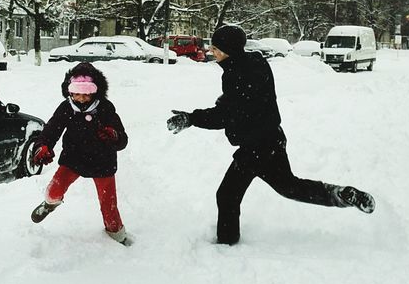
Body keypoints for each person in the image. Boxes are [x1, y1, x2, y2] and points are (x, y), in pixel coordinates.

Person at [167, 24, 375, 246]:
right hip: (271, 139)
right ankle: (339, 194)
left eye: (216, 48)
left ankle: (226, 245)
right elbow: (240, 103)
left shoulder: (237, 74)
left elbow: (225, 115)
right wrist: (226, 104)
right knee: (290, 187)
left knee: (227, 195)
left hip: (255, 147)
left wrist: (192, 118)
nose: (211, 52)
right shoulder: (254, 64)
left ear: (229, 50)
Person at [29, 62, 133, 246]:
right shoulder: (66, 108)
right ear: (69, 91)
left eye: (86, 94)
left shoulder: (105, 108)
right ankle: (50, 204)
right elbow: (51, 130)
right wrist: (42, 146)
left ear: (95, 92)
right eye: (77, 93)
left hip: (103, 162)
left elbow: (123, 139)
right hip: (73, 159)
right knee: (54, 190)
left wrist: (113, 136)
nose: (81, 98)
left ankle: (116, 234)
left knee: (109, 206)